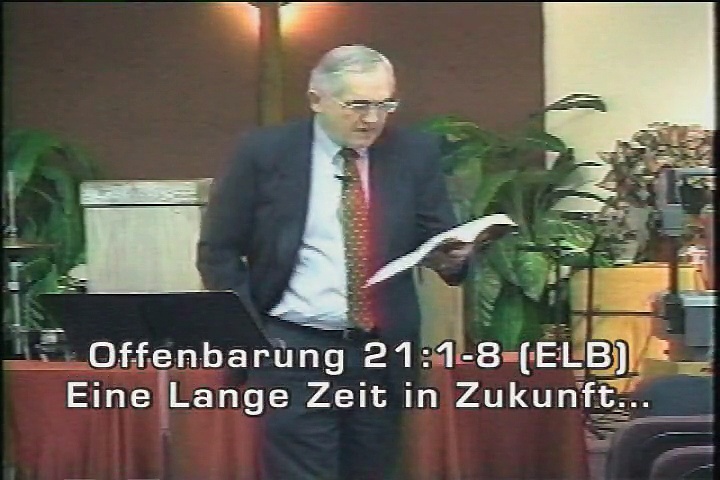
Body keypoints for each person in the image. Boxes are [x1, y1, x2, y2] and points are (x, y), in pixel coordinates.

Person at [197, 44, 478, 480]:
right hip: (292, 349)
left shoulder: (413, 153)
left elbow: (437, 236)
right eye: (358, 105)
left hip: (381, 353)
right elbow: (219, 250)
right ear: (317, 100)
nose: (372, 119)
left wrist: (455, 258)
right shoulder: (264, 153)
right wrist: (251, 337)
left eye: (385, 105)